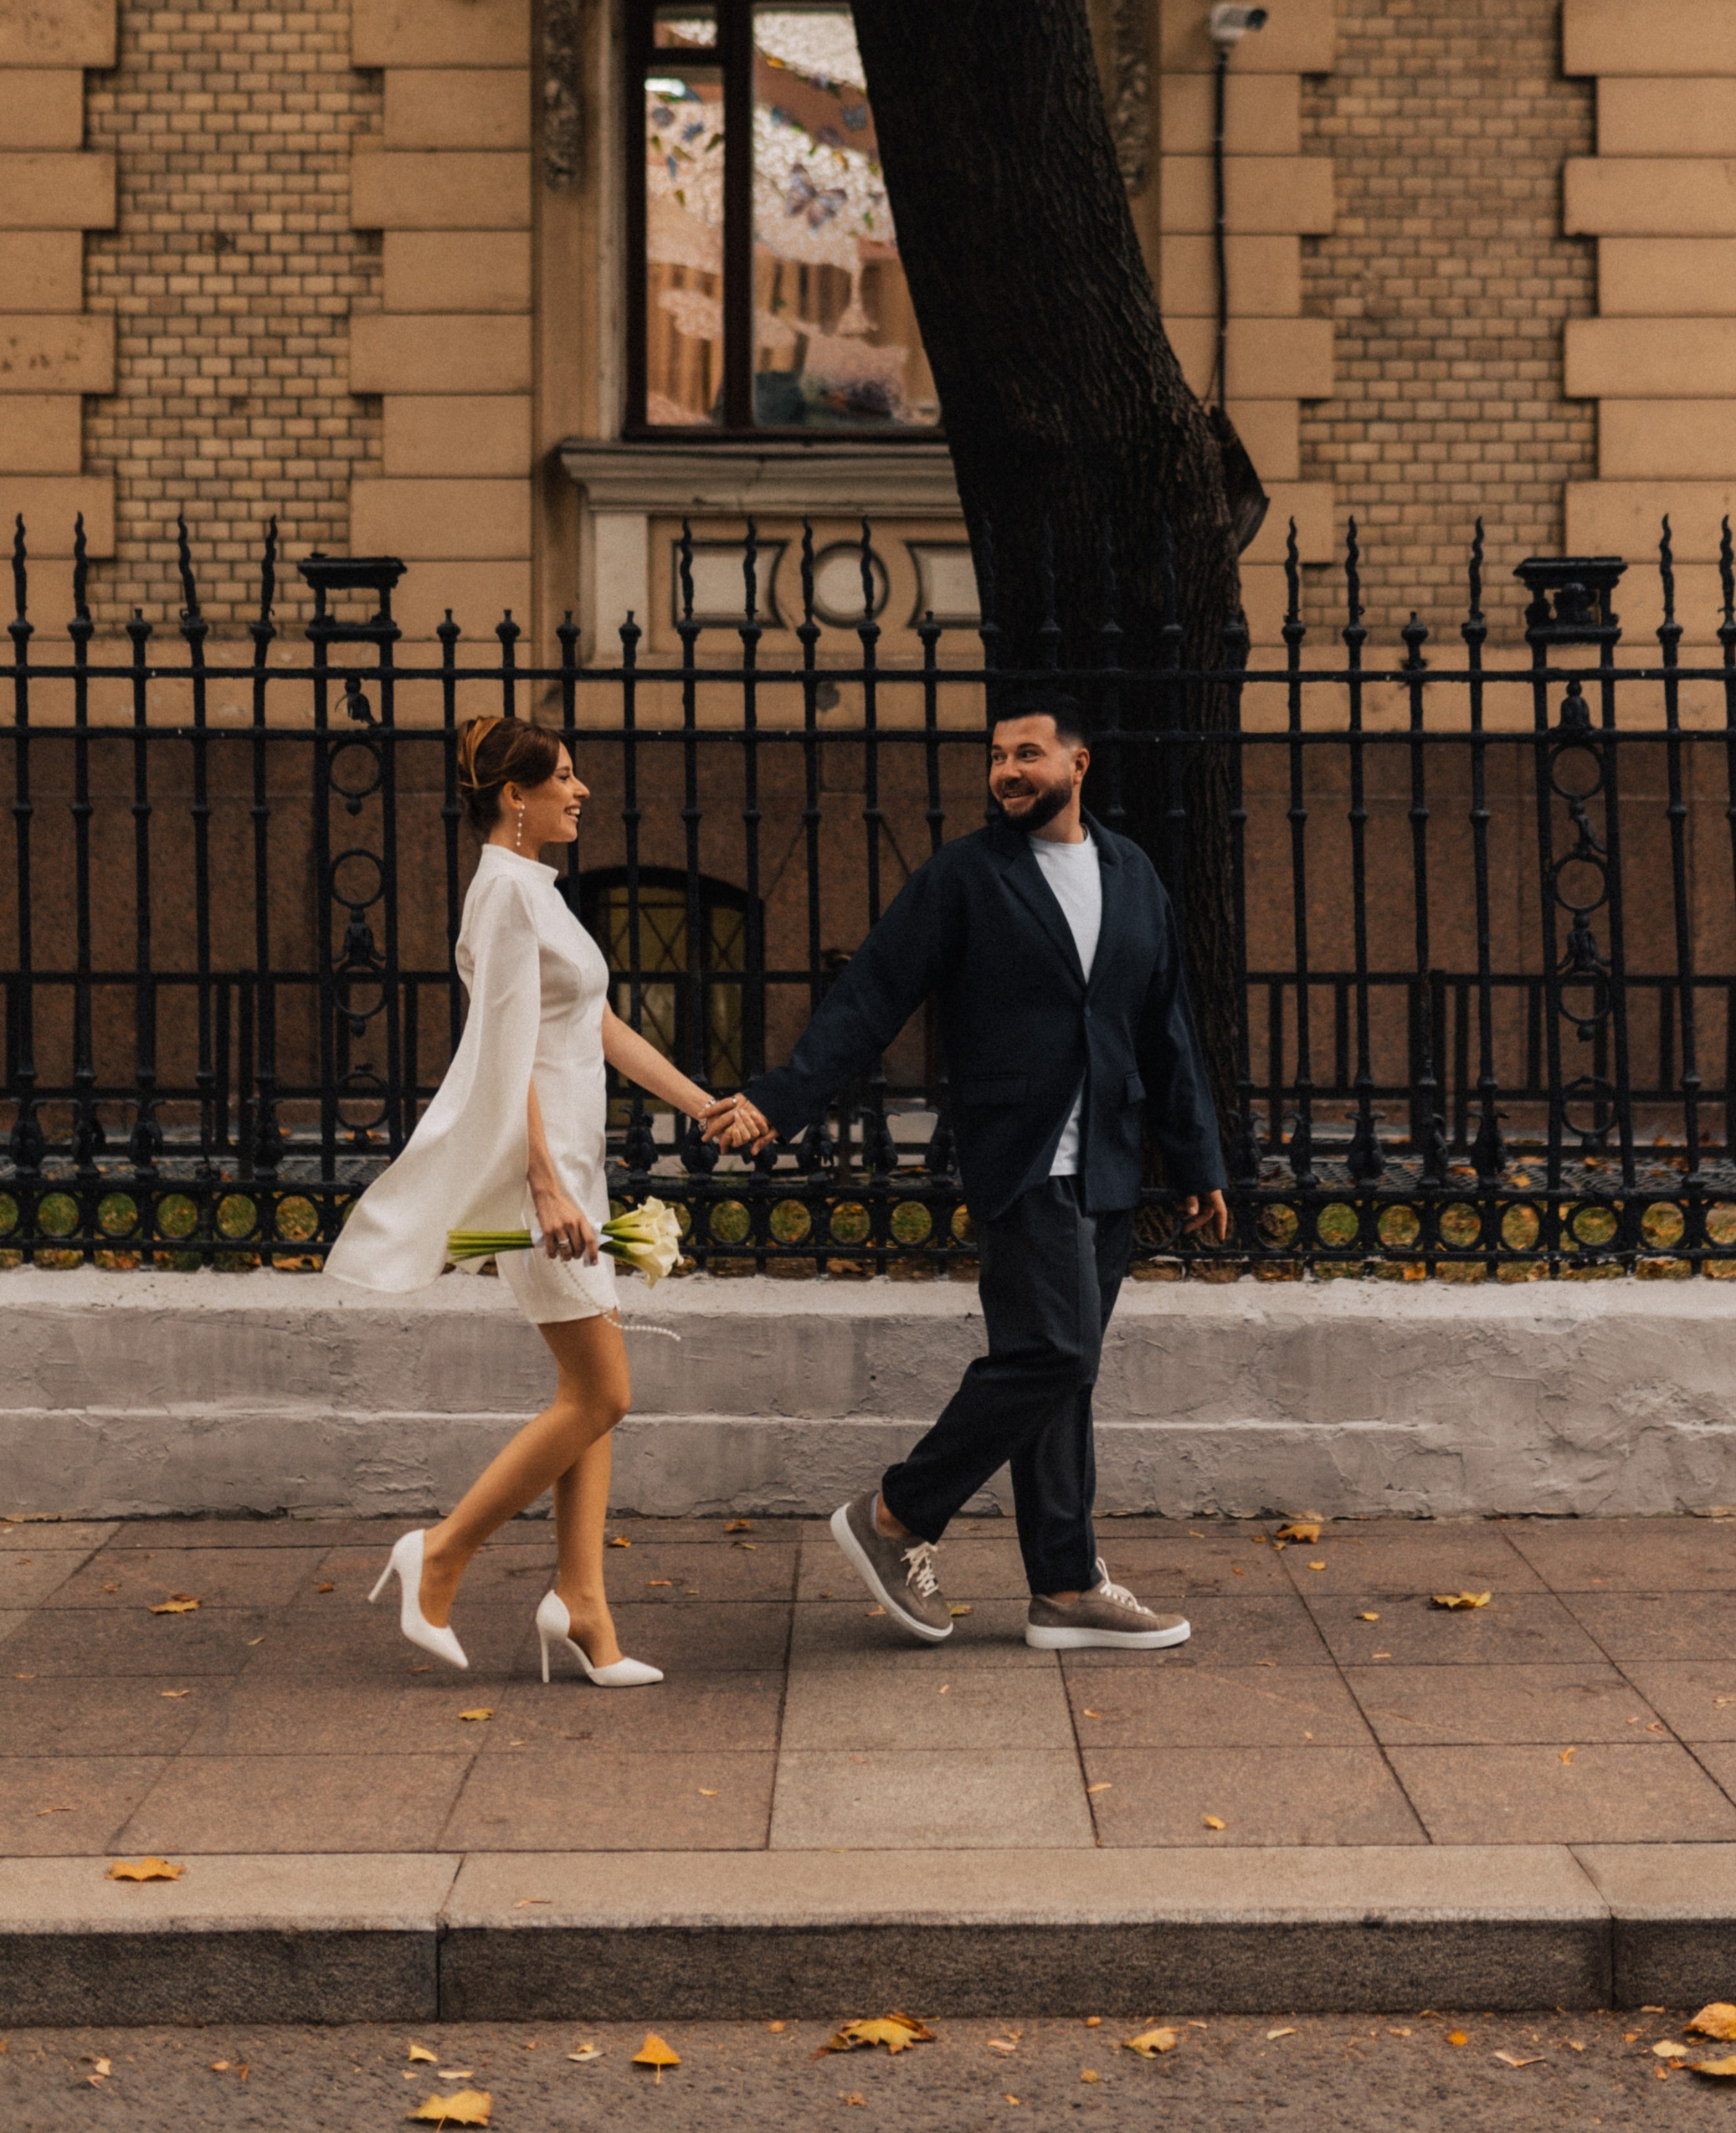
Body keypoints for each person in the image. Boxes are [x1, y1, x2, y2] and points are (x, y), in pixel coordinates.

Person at [727, 699, 1230, 1649]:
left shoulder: (1131, 873)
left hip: (1109, 1163)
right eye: (997, 756)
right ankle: (895, 1516)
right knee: (1056, 1353)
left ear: (1079, 764)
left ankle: (1066, 1586)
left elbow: (1165, 1024)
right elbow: (872, 994)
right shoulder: (964, 877)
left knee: (1062, 1378)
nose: (1007, 770)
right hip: (1021, 1156)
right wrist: (780, 1100)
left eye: (1028, 754)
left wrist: (1196, 1155)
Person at [326, 717, 759, 1683]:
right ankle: (437, 1554)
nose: (583, 791)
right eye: (563, 777)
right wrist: (543, 1181)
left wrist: (699, 1102)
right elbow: (502, 1052)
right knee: (604, 1391)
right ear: (512, 797)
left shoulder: (536, 892)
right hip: (545, 1179)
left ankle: (582, 1606)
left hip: (571, 1168)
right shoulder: (506, 897)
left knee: (588, 1398)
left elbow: (593, 1023)